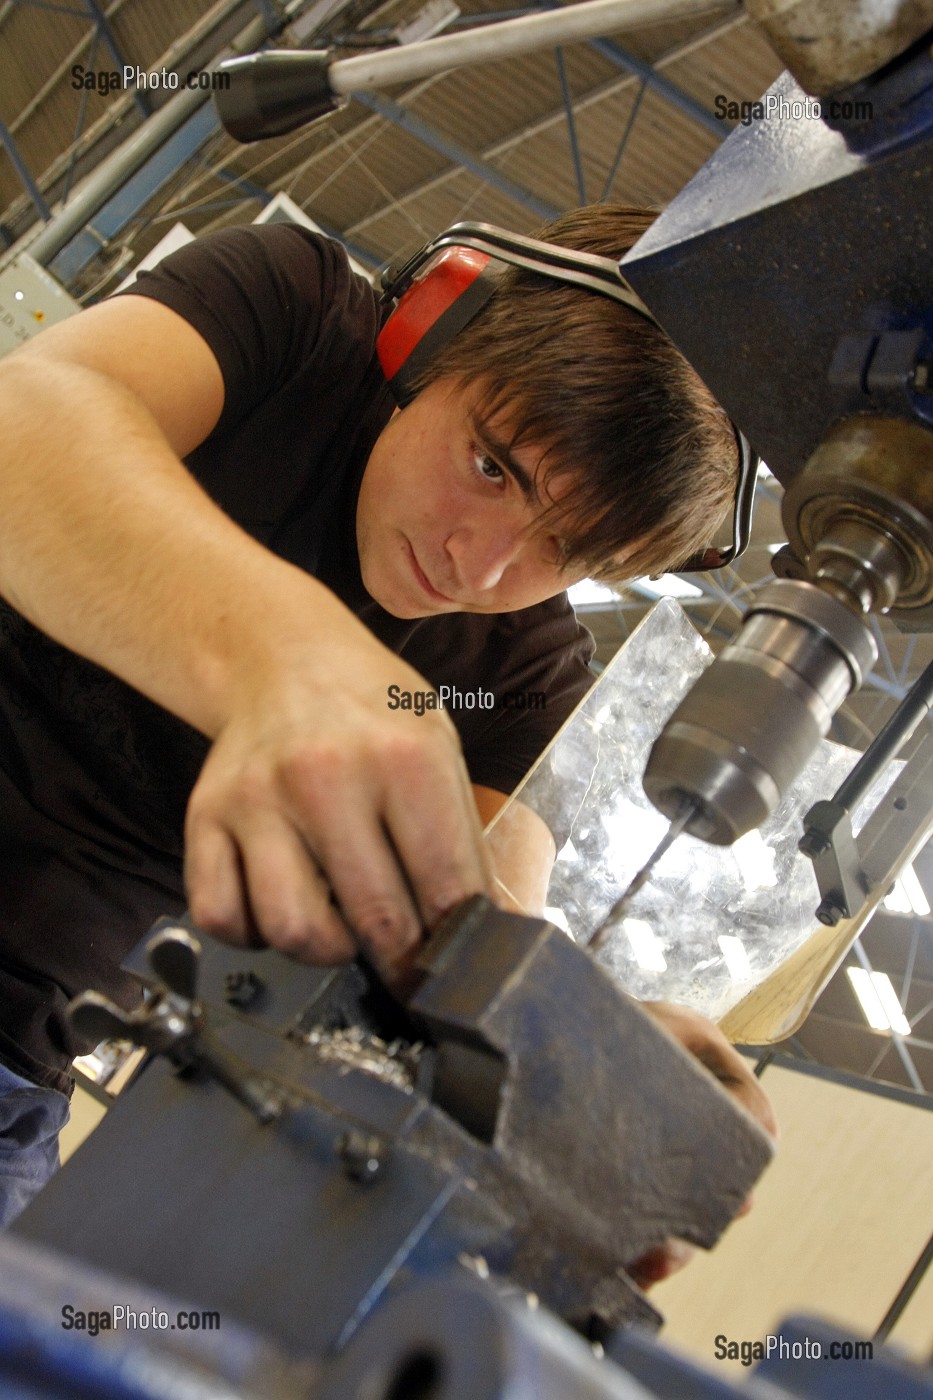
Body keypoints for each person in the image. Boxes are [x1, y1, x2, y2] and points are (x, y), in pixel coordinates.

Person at [0, 203, 773, 1227]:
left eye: (563, 551)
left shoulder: (526, 680)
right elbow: (30, 420)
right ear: (434, 332)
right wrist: (286, 653)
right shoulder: (293, 311)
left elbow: (481, 914)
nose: (482, 564)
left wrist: (569, 1039)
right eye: (492, 466)